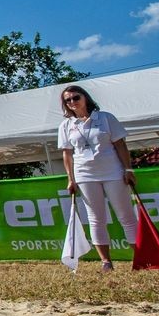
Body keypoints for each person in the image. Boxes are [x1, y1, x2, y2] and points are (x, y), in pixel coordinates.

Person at [57, 84, 137, 272]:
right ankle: (106, 262)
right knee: (96, 219)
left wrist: (128, 169)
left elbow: (120, 145)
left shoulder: (105, 118)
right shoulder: (66, 125)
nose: (72, 102)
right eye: (67, 100)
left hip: (113, 172)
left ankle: (139, 257)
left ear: (85, 97)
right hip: (85, 175)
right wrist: (71, 178)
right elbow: (67, 154)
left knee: (126, 216)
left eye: (75, 98)